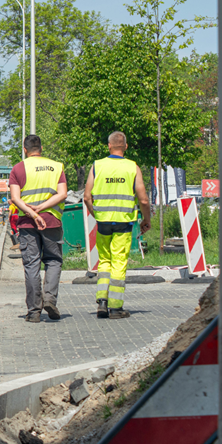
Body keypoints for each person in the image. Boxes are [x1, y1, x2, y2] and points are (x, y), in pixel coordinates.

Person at [83, 131, 151, 320]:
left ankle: (102, 302)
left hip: (103, 222)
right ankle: (115, 307)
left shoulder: (97, 166)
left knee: (104, 261)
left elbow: (87, 197)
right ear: (126, 147)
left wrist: (96, 214)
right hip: (123, 222)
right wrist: (147, 220)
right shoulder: (132, 167)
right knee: (119, 262)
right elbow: (143, 200)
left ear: (109, 146)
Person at [9, 134, 67, 323]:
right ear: (41, 149)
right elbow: (62, 193)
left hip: (27, 223)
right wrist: (42, 209)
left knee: (32, 264)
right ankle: (50, 299)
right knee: (53, 260)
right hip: (51, 221)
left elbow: (16, 199)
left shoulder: (18, 168)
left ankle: (34, 312)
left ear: (25, 150)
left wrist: (33, 214)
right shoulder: (56, 166)